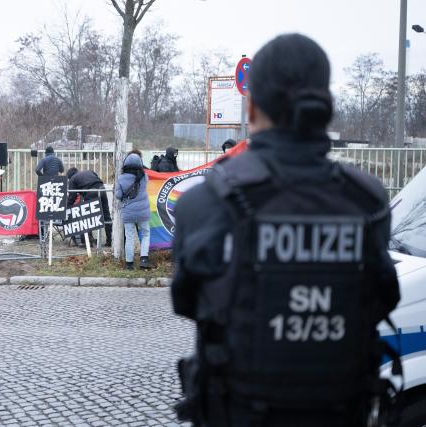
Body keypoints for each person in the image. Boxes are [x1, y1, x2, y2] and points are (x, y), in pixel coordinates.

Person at [171, 34, 400, 427]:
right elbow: (383, 297)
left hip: (240, 412)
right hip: (341, 412)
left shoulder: (205, 202)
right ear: (325, 105)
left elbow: (187, 302)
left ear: (252, 104)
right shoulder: (369, 200)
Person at [115, 153, 152, 270]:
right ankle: (144, 258)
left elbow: (118, 195)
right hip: (143, 211)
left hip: (128, 211)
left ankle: (129, 264)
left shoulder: (120, 179)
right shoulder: (144, 177)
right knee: (145, 234)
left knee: (129, 236)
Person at [66, 167, 112, 247]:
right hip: (102, 189)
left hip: (90, 192)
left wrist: (67, 208)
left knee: (88, 218)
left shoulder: (73, 179)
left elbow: (72, 197)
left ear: (69, 177)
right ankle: (110, 240)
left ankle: (88, 242)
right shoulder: (89, 171)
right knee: (106, 216)